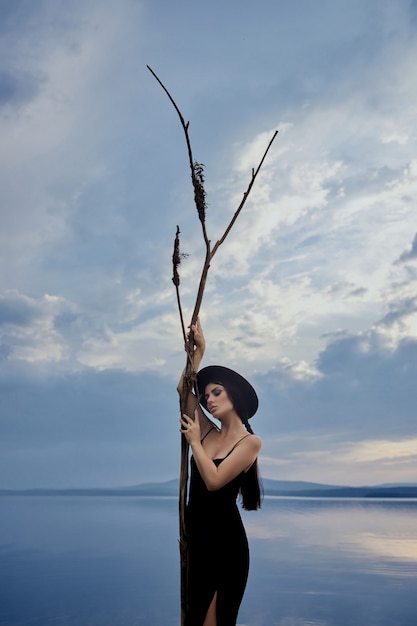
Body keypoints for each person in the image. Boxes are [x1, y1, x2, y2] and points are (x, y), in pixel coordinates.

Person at [177, 319, 262, 626]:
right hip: (197, 542)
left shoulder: (250, 443)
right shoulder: (207, 434)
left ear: (234, 396)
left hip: (226, 548)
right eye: (207, 395)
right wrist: (199, 353)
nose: (208, 399)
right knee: (192, 619)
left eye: (216, 393)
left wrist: (193, 443)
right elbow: (182, 390)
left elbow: (213, 482)